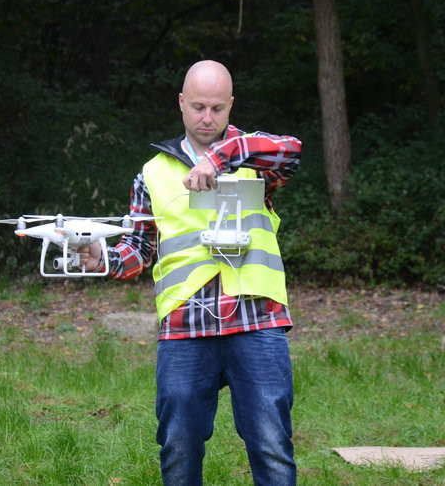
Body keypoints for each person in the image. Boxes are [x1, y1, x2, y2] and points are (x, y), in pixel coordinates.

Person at [79, 60, 302, 485]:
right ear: (181, 103)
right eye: (198, 106)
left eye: (218, 108)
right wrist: (102, 259)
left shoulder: (256, 157)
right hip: (184, 325)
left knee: (272, 447)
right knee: (178, 448)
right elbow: (140, 249)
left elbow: (292, 149)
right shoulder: (152, 173)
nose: (207, 118)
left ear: (231, 105)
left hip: (257, 320)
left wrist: (223, 156)